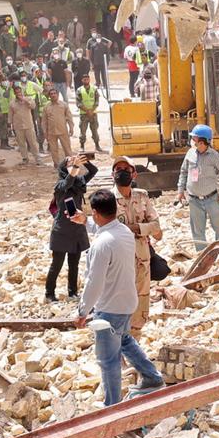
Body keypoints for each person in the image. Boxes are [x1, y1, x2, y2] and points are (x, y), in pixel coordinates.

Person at [72, 190, 165, 403]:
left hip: (109, 308)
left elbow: (94, 282)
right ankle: (151, 377)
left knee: (108, 360)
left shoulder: (100, 244)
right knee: (124, 340)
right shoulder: (123, 231)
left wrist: (82, 311)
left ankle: (112, 406)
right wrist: (85, 222)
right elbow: (105, 228)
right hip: (127, 302)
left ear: (95, 212)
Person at [110, 160, 162, 329]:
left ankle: (135, 341)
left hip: (141, 258)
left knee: (141, 299)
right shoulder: (107, 199)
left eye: (126, 169)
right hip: (118, 258)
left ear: (134, 174)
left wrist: (134, 228)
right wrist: (143, 229)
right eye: (118, 169)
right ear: (112, 174)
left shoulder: (142, 196)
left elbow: (156, 227)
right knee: (119, 298)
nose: (122, 172)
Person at [48, 154, 97, 301]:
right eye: (69, 162)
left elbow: (93, 171)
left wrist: (84, 161)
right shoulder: (60, 184)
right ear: (64, 167)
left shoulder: (79, 182)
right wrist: (75, 167)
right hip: (61, 231)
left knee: (74, 264)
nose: (73, 163)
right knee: (57, 264)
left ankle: (72, 292)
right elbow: (67, 183)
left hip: (77, 229)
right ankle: (49, 294)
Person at [178, 124, 219, 254]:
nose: (192, 141)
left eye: (194, 139)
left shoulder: (215, 157)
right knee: (197, 230)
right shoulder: (190, 154)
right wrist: (180, 191)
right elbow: (183, 172)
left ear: (202, 141)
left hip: (212, 198)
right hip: (194, 200)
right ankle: (202, 254)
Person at [43, 89, 73, 168]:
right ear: (49, 96)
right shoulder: (46, 107)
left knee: (67, 148)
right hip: (51, 132)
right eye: (51, 94)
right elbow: (44, 121)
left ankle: (70, 163)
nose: (53, 95)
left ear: (58, 94)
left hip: (63, 130)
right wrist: (45, 132)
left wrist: (71, 127)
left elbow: (69, 117)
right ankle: (56, 164)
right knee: (54, 150)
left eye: (54, 93)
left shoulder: (64, 105)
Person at [75, 78, 104, 151]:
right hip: (84, 114)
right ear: (82, 80)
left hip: (93, 114)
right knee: (83, 131)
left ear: (89, 80)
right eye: (84, 80)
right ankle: (82, 146)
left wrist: (92, 110)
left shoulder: (94, 89)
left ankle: (97, 145)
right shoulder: (79, 90)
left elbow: (97, 101)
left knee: (95, 130)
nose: (86, 81)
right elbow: (79, 103)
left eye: (87, 79)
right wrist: (87, 111)